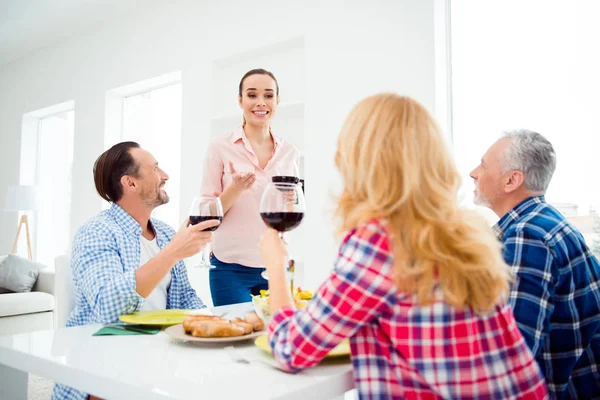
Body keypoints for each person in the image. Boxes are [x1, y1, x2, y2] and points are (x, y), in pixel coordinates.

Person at [258, 94, 548, 399]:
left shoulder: (378, 241)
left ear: (361, 159)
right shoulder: (466, 232)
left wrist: (277, 267)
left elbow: (292, 348)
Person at [52, 141, 218, 400]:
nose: (165, 176)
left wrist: (214, 325)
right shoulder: (97, 232)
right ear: (130, 183)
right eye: (155, 169)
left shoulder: (164, 233)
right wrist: (172, 252)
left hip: (159, 356)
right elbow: (109, 306)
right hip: (103, 362)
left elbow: (184, 298)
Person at [470, 130, 600, 399]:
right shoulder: (546, 221)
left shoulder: (527, 235)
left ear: (511, 180)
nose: (473, 172)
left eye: (483, 165)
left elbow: (513, 351)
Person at [200, 68, 300, 306]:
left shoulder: (290, 153)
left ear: (277, 101)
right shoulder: (219, 147)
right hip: (229, 268)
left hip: (276, 266)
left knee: (275, 337)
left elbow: (293, 208)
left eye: (268, 95)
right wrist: (234, 189)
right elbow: (203, 214)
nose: (260, 103)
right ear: (240, 100)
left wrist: (291, 204)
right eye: (252, 95)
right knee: (236, 337)